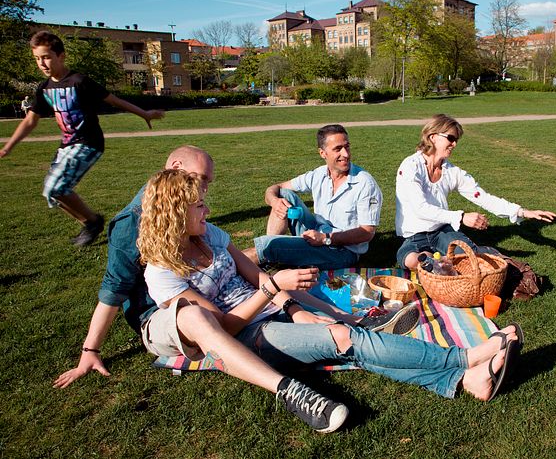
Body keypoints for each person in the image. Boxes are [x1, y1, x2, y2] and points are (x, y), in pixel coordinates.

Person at [136, 169, 523, 431]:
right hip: (250, 337)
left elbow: (257, 275)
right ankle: (465, 359)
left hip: (275, 310)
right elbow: (223, 330)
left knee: (348, 338)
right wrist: (273, 292)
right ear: (173, 213)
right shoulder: (162, 272)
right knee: (345, 340)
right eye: (198, 205)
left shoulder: (211, 236)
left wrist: (296, 304)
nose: (207, 209)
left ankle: (467, 380)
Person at [53, 146, 414, 394]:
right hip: (172, 312)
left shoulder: (200, 226)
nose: (206, 193)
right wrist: (90, 350)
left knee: (277, 268)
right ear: (176, 172)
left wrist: (290, 301)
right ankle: (324, 353)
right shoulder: (134, 226)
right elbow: (114, 290)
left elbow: (242, 274)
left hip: (223, 299)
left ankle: (352, 322)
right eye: (201, 183)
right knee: (289, 295)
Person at [0, 31, 164, 246]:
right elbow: (30, 120)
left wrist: (144, 113)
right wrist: (8, 147)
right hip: (67, 145)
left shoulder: (79, 81)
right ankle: (91, 222)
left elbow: (114, 100)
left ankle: (92, 221)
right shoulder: (44, 88)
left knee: (56, 187)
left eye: (46, 57)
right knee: (52, 192)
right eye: (37, 59)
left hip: (88, 143)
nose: (42, 63)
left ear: (61, 56)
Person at [395, 114, 556, 270]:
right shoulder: (410, 167)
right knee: (410, 260)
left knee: (471, 261)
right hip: (413, 235)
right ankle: (438, 260)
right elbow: (420, 208)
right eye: (450, 138)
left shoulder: (452, 172)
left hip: (442, 231)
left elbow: (482, 197)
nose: (454, 144)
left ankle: (448, 260)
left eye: (456, 140)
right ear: (432, 137)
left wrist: (522, 211)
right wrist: (461, 217)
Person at [247, 124, 383, 270]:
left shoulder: (365, 183)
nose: (346, 154)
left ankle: (240, 262)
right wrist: (274, 201)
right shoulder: (318, 175)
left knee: (269, 248)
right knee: (283, 195)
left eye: (347, 147)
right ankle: (269, 255)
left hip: (343, 251)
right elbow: (274, 188)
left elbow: (367, 233)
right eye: (338, 149)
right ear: (322, 153)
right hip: (317, 232)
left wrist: (326, 239)